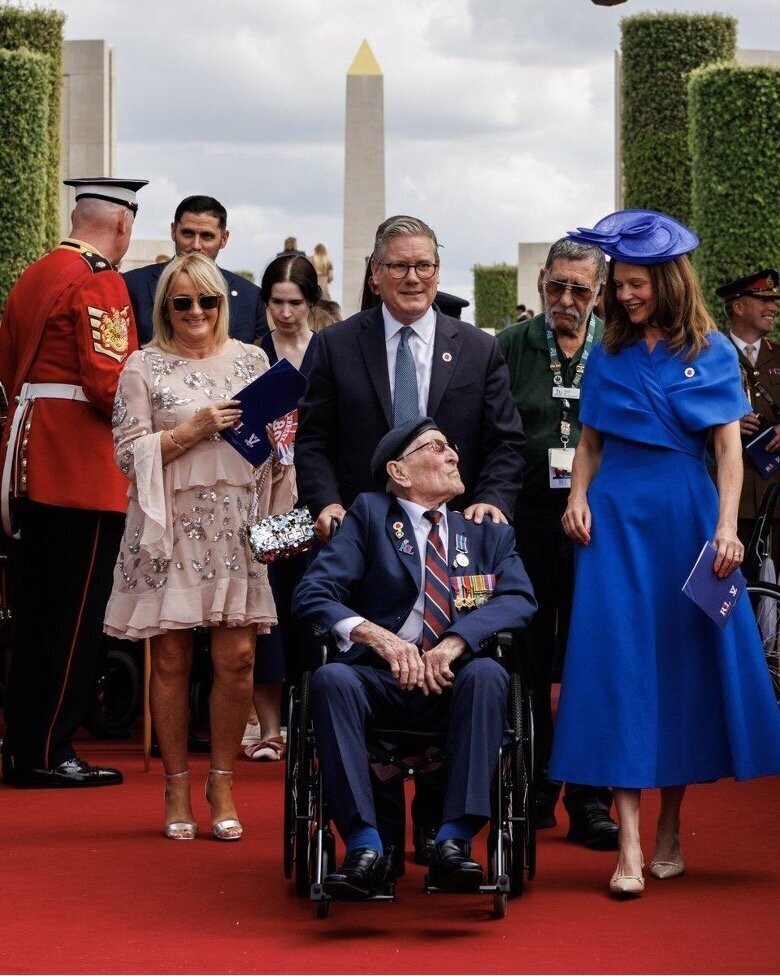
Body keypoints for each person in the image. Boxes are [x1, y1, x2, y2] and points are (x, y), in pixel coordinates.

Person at [549, 209, 780, 897]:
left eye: (635, 284)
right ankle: (628, 841)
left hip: (687, 519)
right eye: (618, 284)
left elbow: (728, 450)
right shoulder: (607, 353)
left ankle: (670, 829)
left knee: (681, 669)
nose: (624, 295)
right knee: (618, 666)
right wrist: (577, 497)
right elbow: (589, 441)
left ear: (669, 281)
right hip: (615, 524)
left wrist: (727, 528)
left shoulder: (712, 352)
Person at [295, 214, 525, 863]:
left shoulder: (476, 348)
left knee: (479, 672)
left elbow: (506, 443)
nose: (413, 277)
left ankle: (443, 833)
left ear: (438, 270)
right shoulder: (336, 345)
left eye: (424, 264)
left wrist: (488, 502)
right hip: (366, 547)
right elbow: (313, 440)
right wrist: (328, 504)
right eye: (398, 265)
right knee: (349, 676)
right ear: (375, 274)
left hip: (455, 542)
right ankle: (375, 841)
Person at [292, 417, 536, 898]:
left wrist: (455, 641)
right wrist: (379, 638)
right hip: (379, 680)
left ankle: (454, 841)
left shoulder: (483, 532)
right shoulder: (368, 517)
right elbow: (313, 593)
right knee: (330, 679)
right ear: (399, 471)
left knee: (489, 674)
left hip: (453, 682)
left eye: (452, 446)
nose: (453, 454)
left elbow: (519, 598)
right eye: (437, 447)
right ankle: (364, 845)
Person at [103, 252, 294, 840]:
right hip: (169, 531)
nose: (195, 312)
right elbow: (127, 454)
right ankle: (176, 785)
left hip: (236, 527)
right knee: (171, 660)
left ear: (222, 304)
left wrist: (279, 439)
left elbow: (280, 452)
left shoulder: (253, 359)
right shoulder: (142, 365)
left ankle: (222, 781)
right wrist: (191, 430)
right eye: (181, 302)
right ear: (165, 306)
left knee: (238, 659)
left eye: (206, 300)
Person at [0, 177, 146, 788]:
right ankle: (47, 749)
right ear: (122, 224)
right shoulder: (101, 280)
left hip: (32, 457)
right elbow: (110, 383)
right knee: (72, 619)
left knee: (37, 613)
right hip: (80, 468)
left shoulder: (36, 273)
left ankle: (24, 742)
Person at [498, 238, 619, 850]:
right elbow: (490, 434)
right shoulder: (508, 347)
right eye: (556, 286)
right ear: (542, 280)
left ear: (599, 292)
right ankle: (534, 783)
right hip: (527, 518)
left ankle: (590, 797)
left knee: (590, 656)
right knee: (526, 654)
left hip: (599, 520)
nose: (566, 300)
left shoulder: (617, 347)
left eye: (579, 289)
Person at [242, 255, 320, 762]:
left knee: (312, 606)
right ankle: (270, 728)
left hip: (314, 500)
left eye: (294, 302)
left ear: (311, 302)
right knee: (266, 610)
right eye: (276, 302)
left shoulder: (328, 351)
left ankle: (312, 720)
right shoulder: (252, 354)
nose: (285, 313)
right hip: (266, 500)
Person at [123, 195, 269, 346]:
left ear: (224, 238)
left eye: (207, 236)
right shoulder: (132, 286)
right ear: (173, 231)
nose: (196, 245)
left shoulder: (250, 297)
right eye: (188, 233)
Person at [716, 269, 780, 566]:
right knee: (730, 582)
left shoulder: (778, 355)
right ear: (738, 307)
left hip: (775, 499)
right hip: (730, 504)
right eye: (764, 300)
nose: (773, 307)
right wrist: (723, 427)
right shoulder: (710, 357)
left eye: (774, 301)